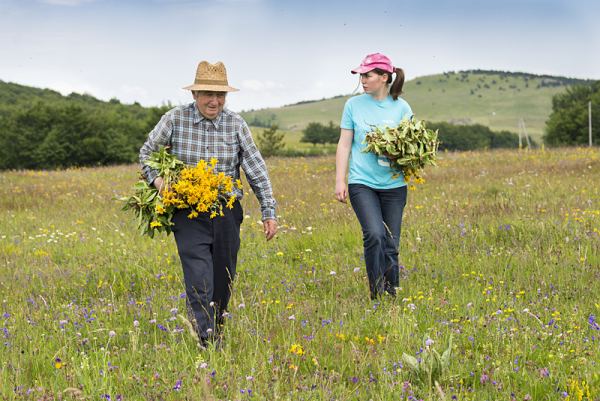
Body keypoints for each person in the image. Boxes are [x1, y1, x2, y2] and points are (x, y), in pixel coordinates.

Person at [139, 60, 278, 346]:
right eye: (207, 94)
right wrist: (158, 182)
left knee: (222, 277)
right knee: (199, 274)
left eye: (221, 95)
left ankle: (215, 327)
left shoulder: (236, 124)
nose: (214, 101)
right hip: (187, 209)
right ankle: (206, 338)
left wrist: (269, 211)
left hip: (227, 210)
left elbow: (256, 169)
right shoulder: (175, 119)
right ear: (194, 95)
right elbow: (146, 155)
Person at [335, 53, 412, 300]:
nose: (363, 80)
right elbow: (344, 144)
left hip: (394, 185)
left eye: (367, 75)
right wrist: (340, 180)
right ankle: (376, 294)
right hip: (362, 183)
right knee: (375, 234)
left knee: (391, 242)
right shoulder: (353, 105)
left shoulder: (402, 107)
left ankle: (392, 294)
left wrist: (398, 152)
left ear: (384, 77)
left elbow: (409, 146)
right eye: (362, 75)